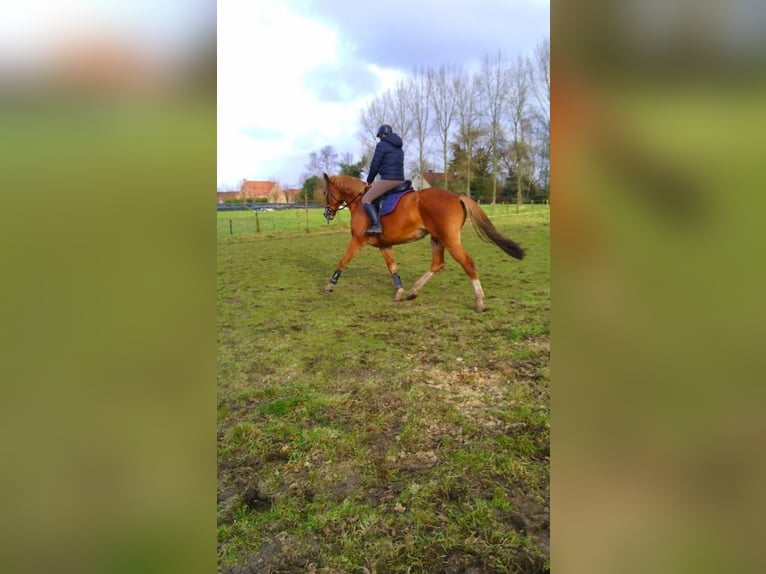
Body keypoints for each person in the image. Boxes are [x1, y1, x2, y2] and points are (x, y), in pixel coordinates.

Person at [362, 124, 405, 235]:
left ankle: (376, 225)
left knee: (366, 199)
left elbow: (375, 165)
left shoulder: (382, 145)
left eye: (380, 136)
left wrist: (369, 181)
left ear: (382, 135)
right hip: (401, 180)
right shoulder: (399, 147)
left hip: (388, 179)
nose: (380, 138)